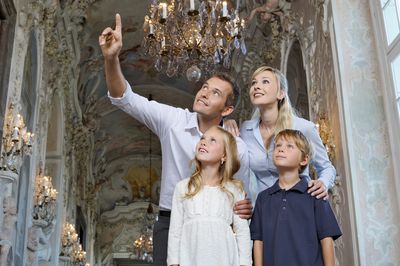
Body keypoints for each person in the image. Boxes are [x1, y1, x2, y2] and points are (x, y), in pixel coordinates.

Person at [98, 14, 251, 265]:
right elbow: (124, 98)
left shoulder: (238, 148)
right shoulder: (173, 121)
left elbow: (241, 196)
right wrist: (111, 58)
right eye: (204, 87)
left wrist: (244, 210)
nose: (204, 93)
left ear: (226, 110)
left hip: (215, 227)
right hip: (171, 221)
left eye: (215, 93)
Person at [225, 66, 336, 201]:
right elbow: (234, 167)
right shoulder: (245, 130)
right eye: (254, 83)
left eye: (265, 81)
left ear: (281, 94)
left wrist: (323, 183)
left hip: (300, 204)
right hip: (263, 209)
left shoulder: (304, 127)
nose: (256, 86)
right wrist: (225, 124)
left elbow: (326, 168)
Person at [250, 129, 342, 266]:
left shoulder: (315, 193)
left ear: (304, 159)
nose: (281, 149)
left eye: (289, 146)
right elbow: (258, 241)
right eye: (278, 146)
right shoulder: (263, 198)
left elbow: (326, 239)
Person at [167, 126, 251, 266]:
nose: (203, 142)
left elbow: (242, 233)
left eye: (212, 140)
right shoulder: (183, 188)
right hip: (190, 259)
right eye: (202, 138)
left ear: (224, 155)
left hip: (225, 260)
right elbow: (175, 232)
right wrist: (173, 263)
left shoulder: (234, 190)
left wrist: (245, 264)